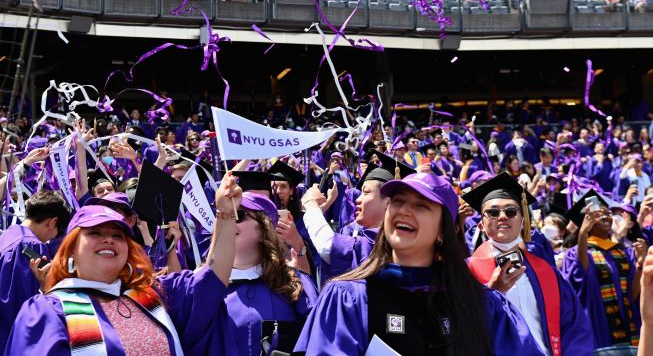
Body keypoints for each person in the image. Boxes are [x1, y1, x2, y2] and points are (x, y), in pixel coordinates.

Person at [295, 172, 544, 355]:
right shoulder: (349, 299)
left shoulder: (482, 305)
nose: (404, 211)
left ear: (442, 231)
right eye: (398, 202)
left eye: (421, 206)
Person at [4, 173, 241, 355]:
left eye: (118, 236)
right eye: (95, 233)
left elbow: (212, 277)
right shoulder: (48, 311)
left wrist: (225, 214)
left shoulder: (154, 294)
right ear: (72, 249)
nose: (108, 239)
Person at [464, 172, 594, 355]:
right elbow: (461, 330)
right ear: (480, 225)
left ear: (522, 220)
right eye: (493, 212)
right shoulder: (465, 273)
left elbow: (575, 328)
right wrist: (491, 294)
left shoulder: (547, 272)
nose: (502, 216)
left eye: (511, 211)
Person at [223, 192, 318, 356]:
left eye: (238, 215)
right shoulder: (204, 286)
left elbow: (318, 341)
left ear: (263, 229)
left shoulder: (294, 284)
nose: (227, 221)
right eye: (223, 215)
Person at [562, 189, 648, 348]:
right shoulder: (574, 254)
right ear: (585, 221)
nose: (606, 216)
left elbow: (633, 295)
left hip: (628, 327)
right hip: (597, 327)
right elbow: (582, 273)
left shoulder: (624, 252)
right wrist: (583, 234)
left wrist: (640, 265)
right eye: (598, 213)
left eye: (608, 212)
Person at [0, 191, 72, 349]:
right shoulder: (31, 246)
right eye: (57, 232)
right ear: (52, 222)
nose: (52, 238)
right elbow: (27, 305)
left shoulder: (6, 237)